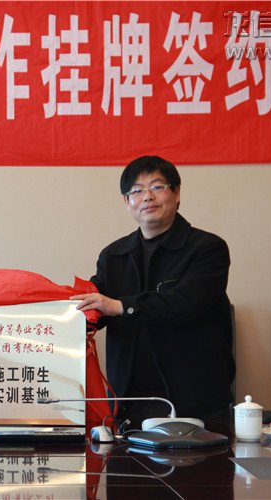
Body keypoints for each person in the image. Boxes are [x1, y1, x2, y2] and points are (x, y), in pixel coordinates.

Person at [72, 155, 234, 432]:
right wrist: (57, 317)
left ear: (177, 192)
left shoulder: (208, 249)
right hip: (128, 401)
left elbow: (186, 304)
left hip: (195, 401)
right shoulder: (113, 255)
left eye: (157, 187)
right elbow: (96, 307)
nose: (147, 196)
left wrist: (121, 306)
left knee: (202, 462)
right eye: (137, 191)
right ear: (127, 202)